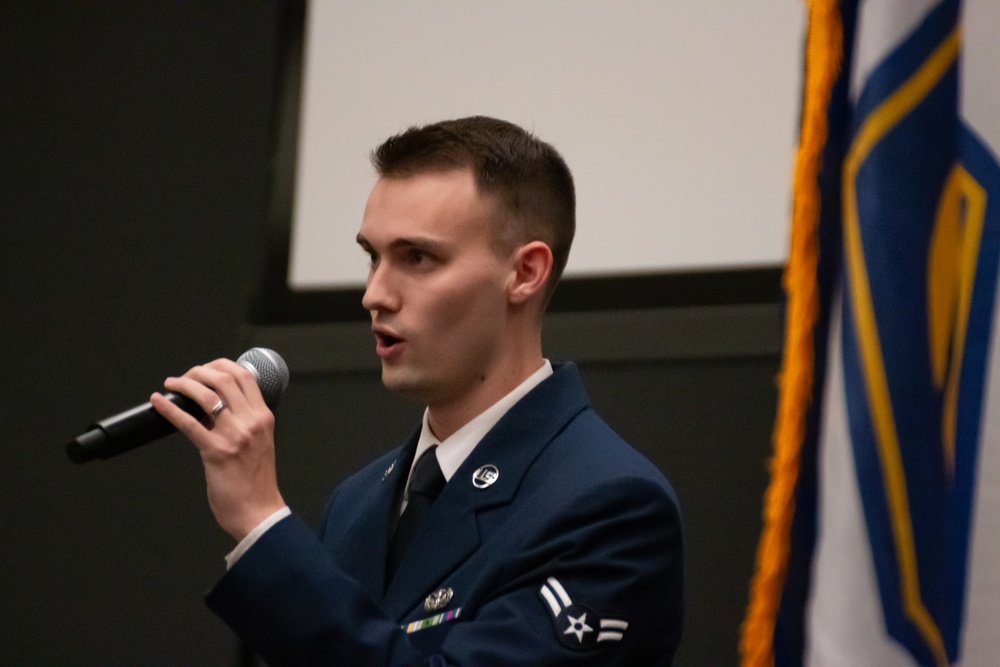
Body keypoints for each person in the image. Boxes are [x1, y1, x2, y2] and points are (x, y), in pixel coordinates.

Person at [151, 116, 683, 665]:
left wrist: (261, 522)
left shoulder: (610, 506)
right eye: (372, 257)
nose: (375, 295)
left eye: (417, 259)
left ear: (525, 272)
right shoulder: (358, 503)